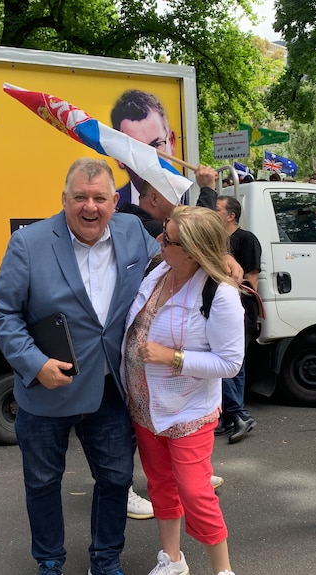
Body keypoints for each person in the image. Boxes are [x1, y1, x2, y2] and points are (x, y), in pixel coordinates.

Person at [0, 158, 158, 575]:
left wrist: (218, 263)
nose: (90, 207)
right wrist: (35, 363)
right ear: (63, 199)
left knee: (117, 479)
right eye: (80, 197)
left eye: (99, 198)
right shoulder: (28, 243)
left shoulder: (133, 231)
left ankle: (105, 560)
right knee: (44, 483)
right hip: (47, 389)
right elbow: (3, 314)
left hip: (110, 388)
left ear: (114, 201)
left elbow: (172, 263)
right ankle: (50, 561)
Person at [123, 206, 244, 575]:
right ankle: (172, 559)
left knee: (195, 492)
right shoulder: (159, 272)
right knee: (160, 486)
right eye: (163, 230)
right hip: (145, 407)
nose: (160, 240)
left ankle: (223, 570)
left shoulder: (219, 295)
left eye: (169, 238)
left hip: (187, 411)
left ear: (192, 250)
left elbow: (230, 364)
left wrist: (171, 357)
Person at [213, 195, 261, 443]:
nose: (213, 212)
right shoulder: (217, 240)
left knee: (230, 361)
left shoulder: (246, 239)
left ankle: (239, 414)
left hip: (240, 308)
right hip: (219, 309)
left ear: (231, 216)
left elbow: (251, 281)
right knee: (230, 363)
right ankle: (230, 416)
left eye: (217, 209)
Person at [110, 90, 177, 206]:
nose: (150, 160)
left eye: (156, 145)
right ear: (119, 158)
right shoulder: (110, 211)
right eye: (138, 150)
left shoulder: (194, 199)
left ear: (171, 142)